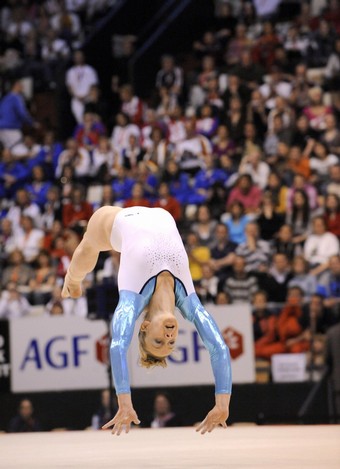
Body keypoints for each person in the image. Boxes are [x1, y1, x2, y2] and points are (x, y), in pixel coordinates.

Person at [62, 206, 231, 435]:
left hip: (117, 221)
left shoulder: (131, 301)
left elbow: (118, 345)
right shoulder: (190, 304)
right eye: (171, 343)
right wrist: (222, 404)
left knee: (88, 248)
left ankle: (71, 279)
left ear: (144, 326)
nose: (169, 338)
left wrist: (124, 401)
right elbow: (218, 347)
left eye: (158, 341)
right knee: (89, 248)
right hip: (160, 213)